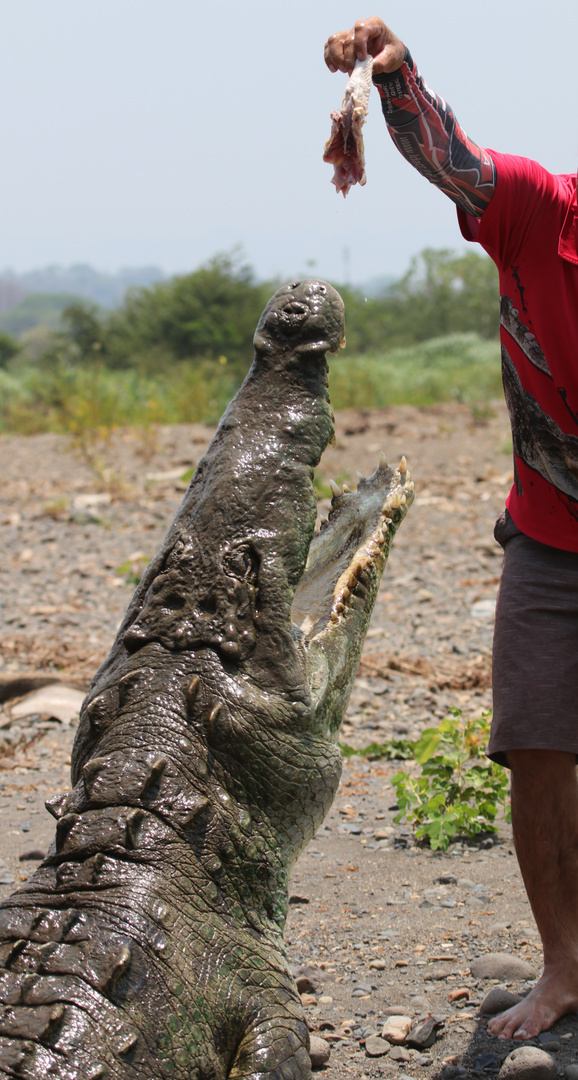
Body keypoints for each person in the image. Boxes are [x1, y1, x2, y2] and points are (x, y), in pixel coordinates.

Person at [324, 16, 578, 1042]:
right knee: (534, 743)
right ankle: (563, 970)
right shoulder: (536, 211)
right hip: (549, 542)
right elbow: (452, 158)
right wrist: (395, 78)